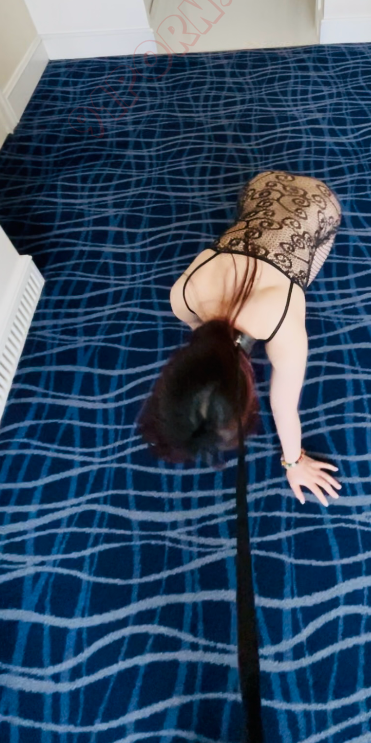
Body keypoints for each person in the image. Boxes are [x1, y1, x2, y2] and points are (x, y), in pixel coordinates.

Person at [138, 170, 343, 507]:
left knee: (304, 264)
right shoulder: (183, 294)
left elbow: (284, 408)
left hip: (321, 204)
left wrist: (294, 462)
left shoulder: (284, 322)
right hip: (262, 184)